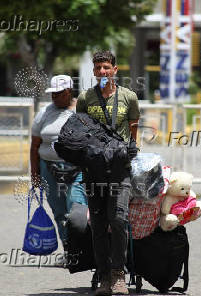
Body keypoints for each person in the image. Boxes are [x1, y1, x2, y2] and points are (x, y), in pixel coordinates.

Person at [76, 50, 140, 295]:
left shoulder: (129, 97)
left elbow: (133, 124)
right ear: (94, 72)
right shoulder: (85, 98)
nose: (102, 72)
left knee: (118, 219)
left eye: (106, 67)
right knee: (99, 224)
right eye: (98, 68)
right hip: (94, 171)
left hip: (119, 169)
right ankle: (103, 276)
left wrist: (132, 147)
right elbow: (77, 131)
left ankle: (118, 275)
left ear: (115, 69)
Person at [30, 75, 87, 265]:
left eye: (59, 93)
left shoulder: (82, 110)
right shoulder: (44, 113)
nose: (54, 97)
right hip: (49, 168)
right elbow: (34, 145)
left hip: (76, 168)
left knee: (76, 208)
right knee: (59, 211)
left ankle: (85, 250)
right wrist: (35, 173)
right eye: (52, 93)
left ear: (69, 92)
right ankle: (70, 251)